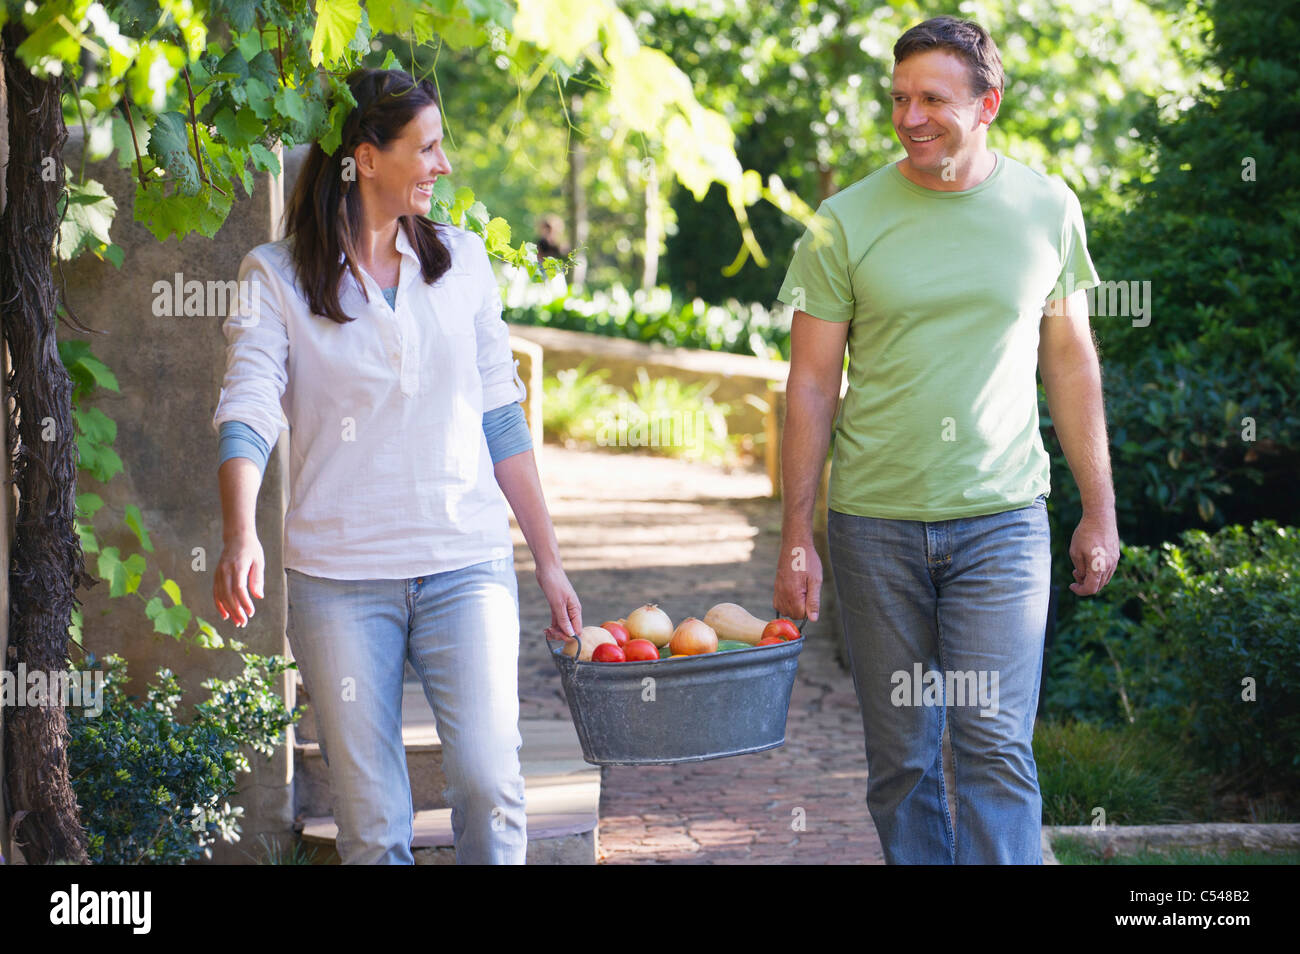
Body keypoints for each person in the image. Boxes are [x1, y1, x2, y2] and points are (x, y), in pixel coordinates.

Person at [210, 67, 584, 865]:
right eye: (428, 147)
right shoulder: (275, 277)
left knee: (490, 782)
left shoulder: (464, 263)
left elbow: (500, 416)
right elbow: (248, 405)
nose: (443, 166)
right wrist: (241, 531)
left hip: (466, 565)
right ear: (365, 158)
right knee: (374, 823)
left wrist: (548, 562)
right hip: (340, 578)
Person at [772, 16, 1119, 864]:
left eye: (933, 98)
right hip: (875, 526)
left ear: (987, 104)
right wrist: (796, 536)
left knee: (995, 745)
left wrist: (1098, 510)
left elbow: (1071, 362)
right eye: (899, 99)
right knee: (902, 762)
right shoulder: (844, 220)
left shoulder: (1045, 208)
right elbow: (812, 384)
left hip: (1002, 520)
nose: (911, 117)